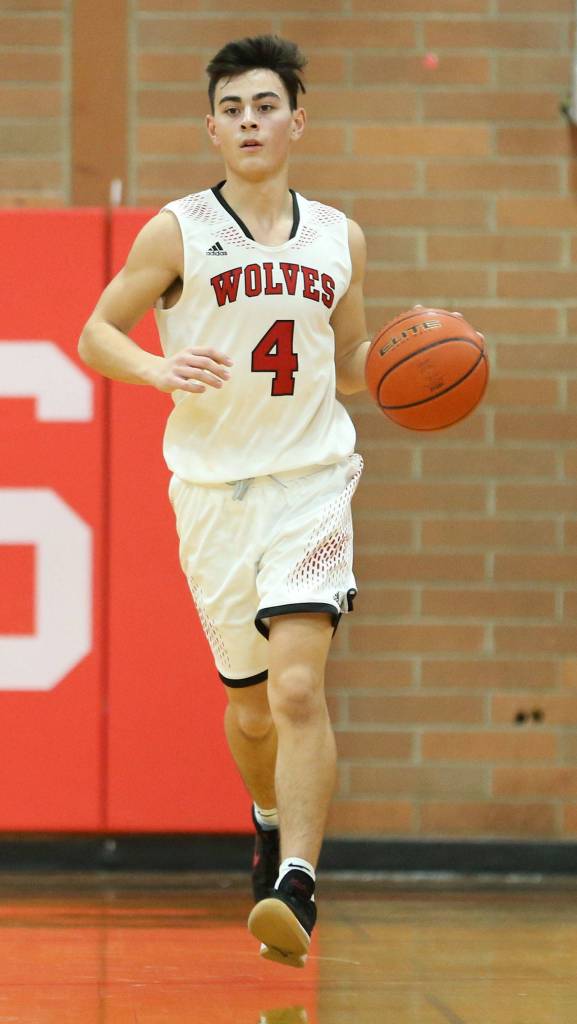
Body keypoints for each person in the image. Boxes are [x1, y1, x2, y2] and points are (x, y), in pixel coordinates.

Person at [78, 34, 370, 969]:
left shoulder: (338, 235)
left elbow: (354, 365)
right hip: (212, 493)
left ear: (296, 121)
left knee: (296, 683)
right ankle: (268, 814)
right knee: (250, 711)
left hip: (312, 483)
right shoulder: (175, 230)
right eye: (233, 109)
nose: (250, 122)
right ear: (212, 127)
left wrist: (424, 363)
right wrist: (158, 366)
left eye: (265, 106)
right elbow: (94, 333)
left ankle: (297, 883)